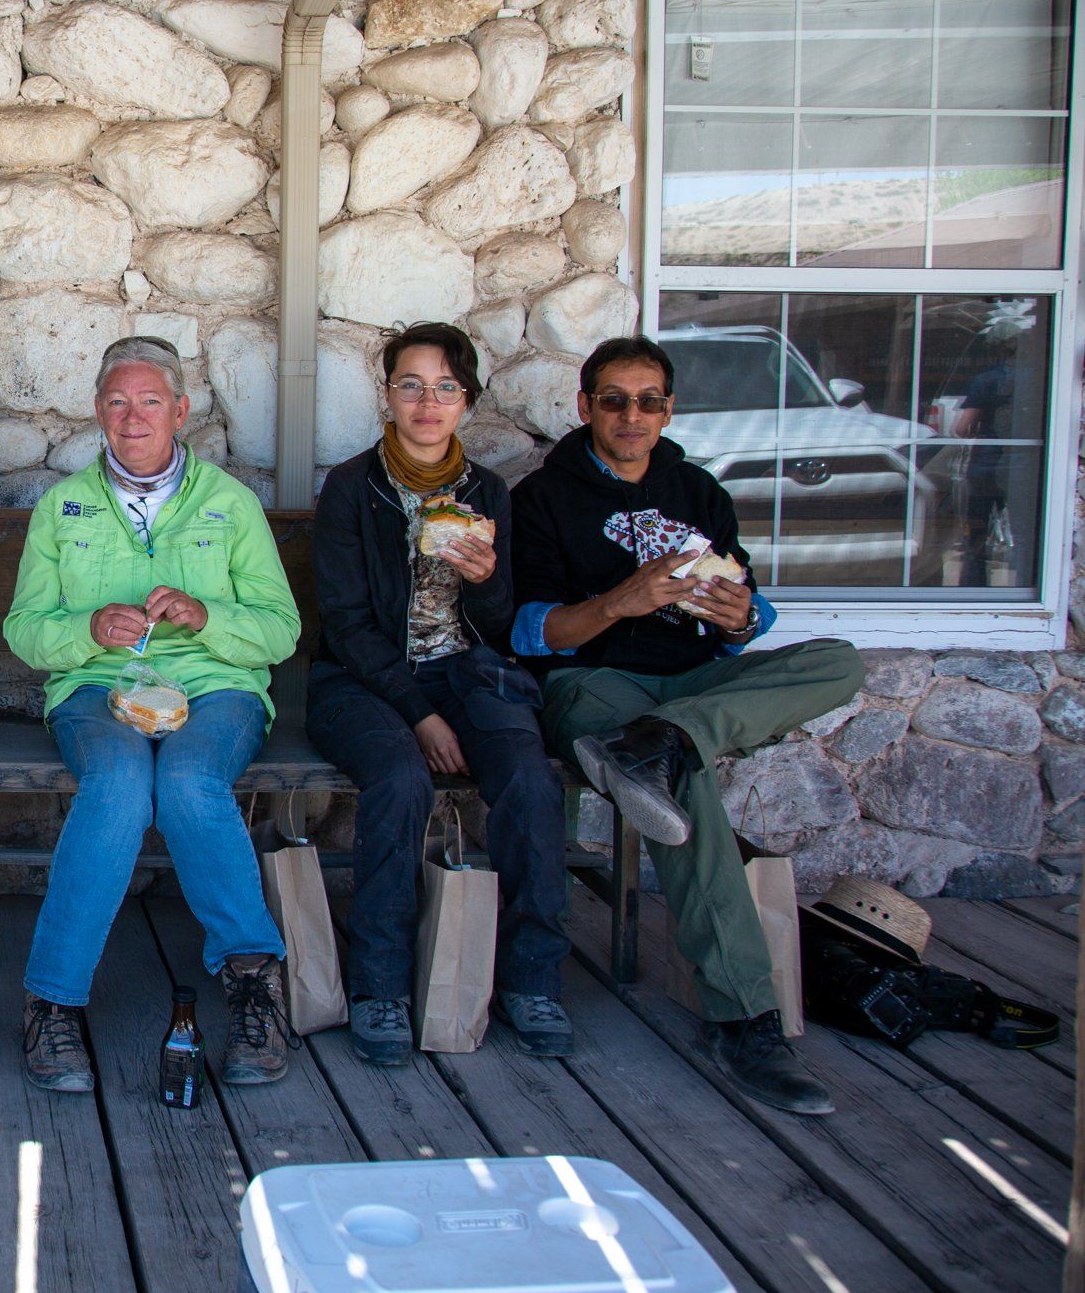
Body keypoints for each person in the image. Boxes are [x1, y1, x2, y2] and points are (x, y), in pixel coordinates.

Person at [513, 335, 862, 1115]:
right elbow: (530, 632)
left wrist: (743, 620)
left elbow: (741, 599)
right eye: (614, 399)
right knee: (682, 782)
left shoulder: (698, 490)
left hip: (697, 676)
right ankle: (743, 1015)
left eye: (649, 401)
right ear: (585, 406)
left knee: (840, 661)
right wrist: (619, 604)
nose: (632, 416)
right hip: (594, 684)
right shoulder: (543, 498)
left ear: (669, 409)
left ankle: (671, 737)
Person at [3, 337, 301, 1093]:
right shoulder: (62, 505)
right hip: (98, 691)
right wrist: (82, 632)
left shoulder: (228, 504)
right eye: (116, 401)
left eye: (149, 401)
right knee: (119, 786)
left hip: (214, 690)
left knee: (193, 782)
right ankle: (53, 1001)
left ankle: (253, 986)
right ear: (98, 411)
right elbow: (25, 629)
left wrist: (207, 617)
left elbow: (281, 630)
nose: (132, 417)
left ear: (181, 410)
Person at [305, 324, 574, 1068]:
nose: (429, 403)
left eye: (446, 387)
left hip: (468, 673)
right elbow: (350, 624)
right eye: (412, 386)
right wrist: (417, 713)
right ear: (387, 395)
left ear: (467, 400)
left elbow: (496, 627)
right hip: (361, 681)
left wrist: (487, 586)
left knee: (526, 776)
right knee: (397, 778)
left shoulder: (486, 492)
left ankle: (532, 980)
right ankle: (381, 986)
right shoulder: (354, 490)